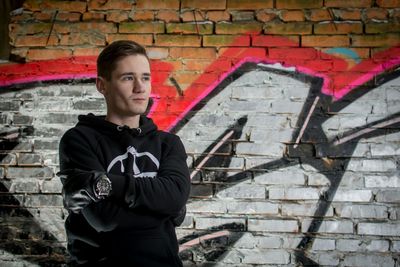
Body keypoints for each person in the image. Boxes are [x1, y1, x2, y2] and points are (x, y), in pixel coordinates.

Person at [57, 40, 191, 266]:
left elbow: (176, 197)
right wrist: (162, 208)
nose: (140, 87)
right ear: (102, 85)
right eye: (128, 77)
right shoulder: (79, 140)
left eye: (145, 77)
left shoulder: (168, 143)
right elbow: (105, 218)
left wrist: (106, 183)